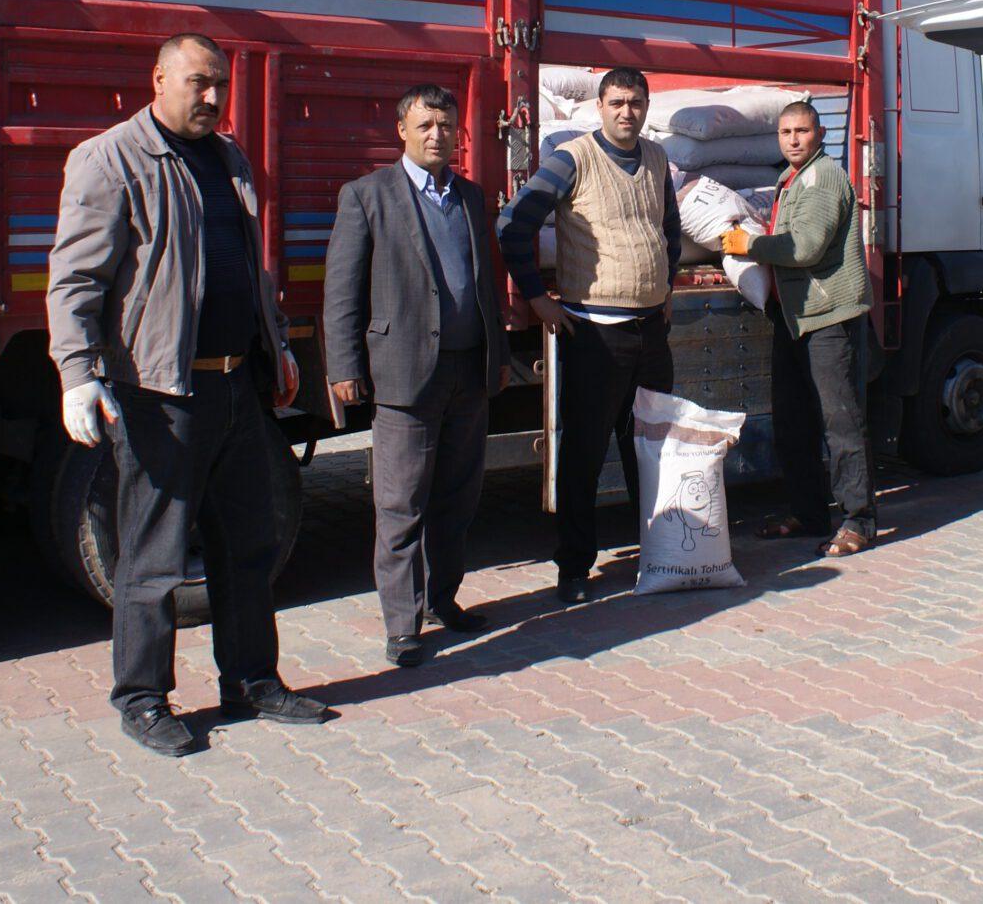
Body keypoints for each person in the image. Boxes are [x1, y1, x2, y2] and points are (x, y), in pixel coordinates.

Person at [47, 33, 326, 756]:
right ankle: (142, 697)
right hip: (160, 393)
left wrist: (279, 346)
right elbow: (75, 280)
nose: (211, 98)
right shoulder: (110, 159)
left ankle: (253, 680)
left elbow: (246, 270)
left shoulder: (228, 158)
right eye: (198, 83)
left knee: (248, 544)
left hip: (238, 383)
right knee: (153, 556)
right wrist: (77, 373)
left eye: (219, 86)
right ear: (159, 78)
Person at [322, 85, 507, 669]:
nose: (437, 135)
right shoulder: (367, 196)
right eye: (425, 124)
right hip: (404, 376)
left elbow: (484, 284)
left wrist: (497, 354)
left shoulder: (471, 197)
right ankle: (402, 628)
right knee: (401, 505)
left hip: (468, 371)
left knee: (458, 498)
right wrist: (344, 365)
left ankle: (441, 600)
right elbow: (342, 289)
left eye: (447, 126)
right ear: (401, 129)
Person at [496, 67, 679, 603]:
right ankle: (575, 569)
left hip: (651, 332)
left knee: (650, 451)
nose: (628, 112)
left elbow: (668, 225)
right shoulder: (572, 158)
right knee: (584, 454)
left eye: (637, 103)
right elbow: (513, 222)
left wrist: (666, 285)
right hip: (596, 335)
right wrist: (535, 296)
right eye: (618, 102)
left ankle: (661, 555)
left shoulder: (658, 158)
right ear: (600, 106)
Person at [719, 102, 877, 557]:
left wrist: (752, 245)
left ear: (819, 133)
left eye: (802, 131)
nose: (793, 139)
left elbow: (805, 247)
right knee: (793, 420)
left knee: (840, 420)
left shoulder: (823, 176)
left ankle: (859, 519)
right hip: (794, 317)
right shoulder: (791, 179)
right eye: (786, 131)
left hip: (827, 317)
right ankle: (809, 513)